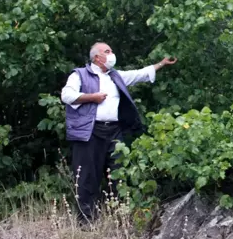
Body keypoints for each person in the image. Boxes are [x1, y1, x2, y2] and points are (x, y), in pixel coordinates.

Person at [61, 42, 177, 223]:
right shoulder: (79, 75)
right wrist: (92, 97)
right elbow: (66, 96)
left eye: (111, 51)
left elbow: (139, 74)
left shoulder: (116, 76)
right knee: (86, 177)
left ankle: (116, 219)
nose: (112, 54)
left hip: (114, 131)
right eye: (107, 51)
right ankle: (85, 222)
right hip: (89, 131)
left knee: (117, 174)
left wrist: (161, 64)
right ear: (97, 57)